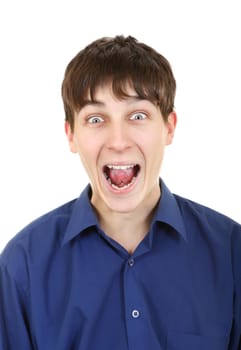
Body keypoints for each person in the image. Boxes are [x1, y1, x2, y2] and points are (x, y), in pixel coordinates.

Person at [0, 35, 240, 350]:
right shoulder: (23, 264)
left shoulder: (231, 252)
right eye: (96, 119)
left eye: (137, 116)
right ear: (71, 135)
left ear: (169, 127)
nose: (118, 140)